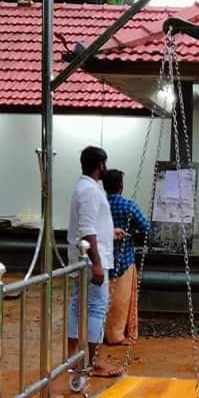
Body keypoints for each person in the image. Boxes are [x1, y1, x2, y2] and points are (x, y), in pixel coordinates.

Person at [67, 146, 124, 377]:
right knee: (97, 308)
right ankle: (95, 361)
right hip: (92, 258)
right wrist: (97, 264)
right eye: (105, 164)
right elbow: (87, 228)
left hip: (86, 255)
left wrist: (110, 231)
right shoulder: (90, 191)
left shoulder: (83, 188)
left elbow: (92, 226)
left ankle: (72, 356)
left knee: (77, 304)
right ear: (100, 165)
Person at [102, 169, 152, 346]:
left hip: (102, 260)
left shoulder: (100, 205)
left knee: (101, 300)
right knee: (122, 301)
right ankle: (117, 335)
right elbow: (146, 227)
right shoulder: (129, 206)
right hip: (124, 260)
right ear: (121, 187)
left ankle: (100, 334)